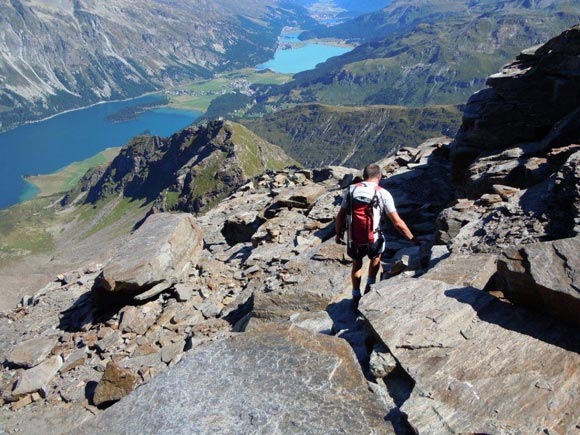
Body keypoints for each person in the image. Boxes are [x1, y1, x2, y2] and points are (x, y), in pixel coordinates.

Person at [335, 163, 418, 305]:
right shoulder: (383, 193)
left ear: (364, 176)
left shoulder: (351, 190)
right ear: (379, 176)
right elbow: (397, 222)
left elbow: (341, 215)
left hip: (354, 237)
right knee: (375, 259)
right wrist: (412, 239)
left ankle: (355, 294)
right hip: (373, 237)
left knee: (357, 264)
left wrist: (338, 234)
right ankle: (369, 287)